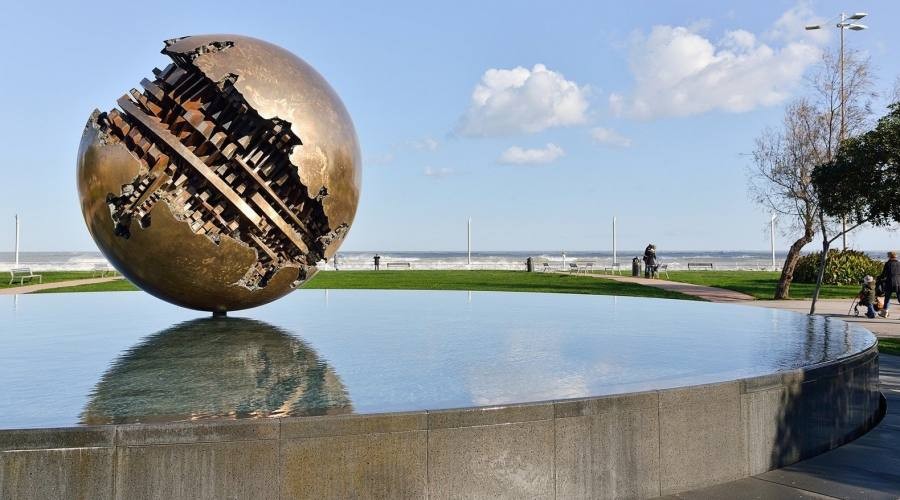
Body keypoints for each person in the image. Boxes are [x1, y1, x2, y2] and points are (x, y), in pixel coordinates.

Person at [878, 251, 900, 317]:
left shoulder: (888, 264)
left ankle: (885, 312)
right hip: (898, 282)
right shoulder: (899, 263)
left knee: (887, 298)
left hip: (889, 282)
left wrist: (879, 278)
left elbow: (884, 274)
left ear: (889, 256)